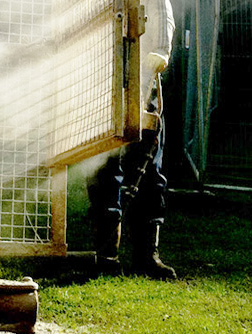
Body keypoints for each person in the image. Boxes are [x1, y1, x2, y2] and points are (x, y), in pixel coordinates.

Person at [89, 0, 176, 279]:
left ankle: (146, 254)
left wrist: (161, 51)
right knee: (108, 167)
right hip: (106, 80)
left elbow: (163, 14)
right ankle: (107, 255)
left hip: (144, 78)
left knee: (150, 172)